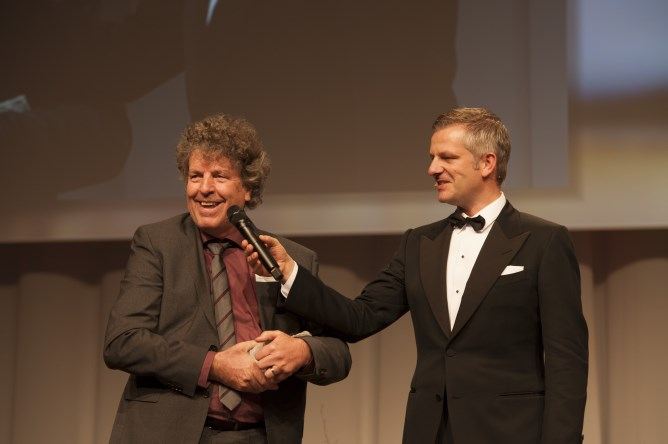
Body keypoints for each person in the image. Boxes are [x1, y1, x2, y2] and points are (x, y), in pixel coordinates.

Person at [246, 108, 588, 443]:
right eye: (432, 157)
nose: (432, 168)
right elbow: (359, 318)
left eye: (447, 157)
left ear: (487, 163)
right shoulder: (420, 243)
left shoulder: (543, 241)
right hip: (430, 431)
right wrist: (290, 272)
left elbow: (567, 360)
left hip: (511, 432)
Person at [103, 113, 351, 444]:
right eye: (195, 176)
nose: (204, 188)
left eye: (219, 176)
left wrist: (302, 351)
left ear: (248, 188)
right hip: (168, 434)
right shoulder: (157, 244)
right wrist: (215, 365)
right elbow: (123, 342)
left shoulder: (289, 257)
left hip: (258, 436)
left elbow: (337, 353)